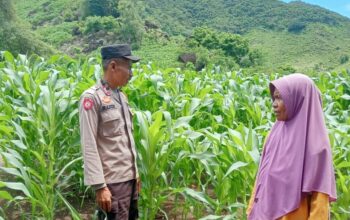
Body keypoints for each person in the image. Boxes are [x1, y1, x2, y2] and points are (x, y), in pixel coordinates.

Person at [246, 73, 337, 220]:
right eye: (274, 97)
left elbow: (319, 205)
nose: (274, 104)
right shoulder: (273, 136)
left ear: (299, 100)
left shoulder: (318, 149)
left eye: (280, 98)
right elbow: (261, 181)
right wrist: (251, 211)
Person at [79, 44, 141, 220]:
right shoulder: (91, 98)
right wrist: (99, 186)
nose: (131, 73)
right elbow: (88, 144)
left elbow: (126, 139)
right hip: (112, 183)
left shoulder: (121, 96)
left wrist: (135, 173)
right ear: (113, 66)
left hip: (129, 180)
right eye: (128, 67)